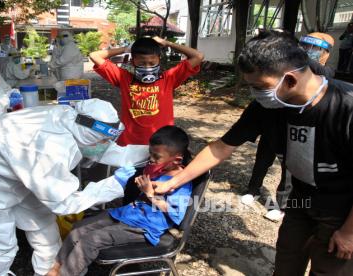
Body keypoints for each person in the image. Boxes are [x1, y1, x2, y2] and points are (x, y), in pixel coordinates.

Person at [154, 30, 353, 275]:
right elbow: (221, 147)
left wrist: (349, 232)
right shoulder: (268, 106)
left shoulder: (346, 105)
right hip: (301, 201)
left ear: (289, 80)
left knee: (328, 269)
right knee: (286, 263)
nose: (256, 94)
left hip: (342, 210)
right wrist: (173, 182)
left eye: (259, 87)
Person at [0, 98, 150, 276]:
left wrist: (152, 151)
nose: (106, 143)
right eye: (103, 139)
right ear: (86, 134)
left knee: (43, 225)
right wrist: (112, 185)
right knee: (0, 243)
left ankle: (49, 273)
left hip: (14, 169)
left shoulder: (70, 119)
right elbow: (64, 202)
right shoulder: (48, 147)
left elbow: (103, 149)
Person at [47, 125, 193, 276]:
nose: (151, 159)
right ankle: (56, 268)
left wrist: (150, 194)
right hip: (126, 214)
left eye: (156, 157)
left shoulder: (181, 182)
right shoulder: (157, 168)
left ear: (176, 160)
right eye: (150, 154)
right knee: (78, 229)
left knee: (90, 240)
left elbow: (176, 213)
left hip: (144, 227)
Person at [241, 32, 336, 222]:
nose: (310, 51)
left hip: (296, 130)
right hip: (272, 123)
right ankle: (253, 189)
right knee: (262, 159)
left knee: (290, 169)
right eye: (306, 46)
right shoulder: (285, 67)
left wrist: (295, 56)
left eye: (316, 48)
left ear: (326, 54)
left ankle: (283, 205)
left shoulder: (323, 73)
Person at [89, 36, 203, 146]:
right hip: (129, 144)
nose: (147, 67)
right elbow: (94, 55)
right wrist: (126, 49)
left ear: (159, 59)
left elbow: (198, 56)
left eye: (152, 63)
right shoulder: (123, 77)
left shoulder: (170, 78)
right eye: (142, 63)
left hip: (161, 145)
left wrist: (168, 43)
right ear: (133, 61)